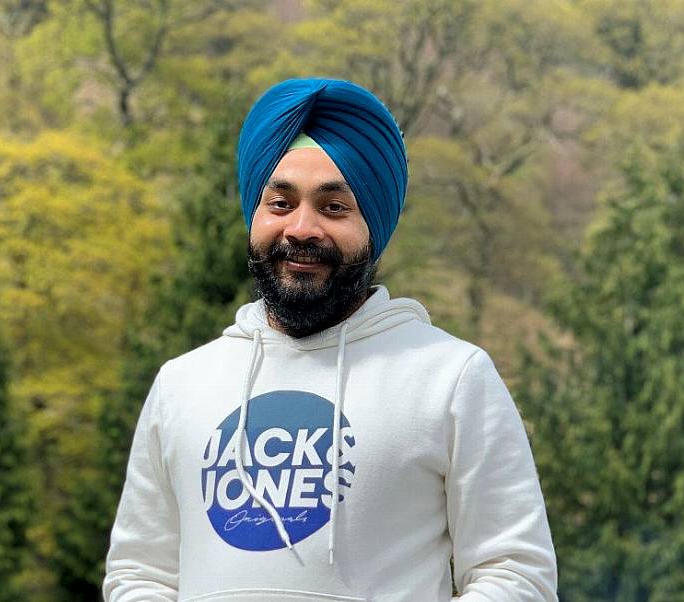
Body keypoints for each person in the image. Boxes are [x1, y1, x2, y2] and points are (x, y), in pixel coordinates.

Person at [103, 77, 558, 602]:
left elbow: (515, 573)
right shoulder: (181, 383)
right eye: (280, 203)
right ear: (254, 215)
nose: (301, 228)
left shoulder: (452, 378)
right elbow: (141, 574)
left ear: (374, 226)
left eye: (334, 207)